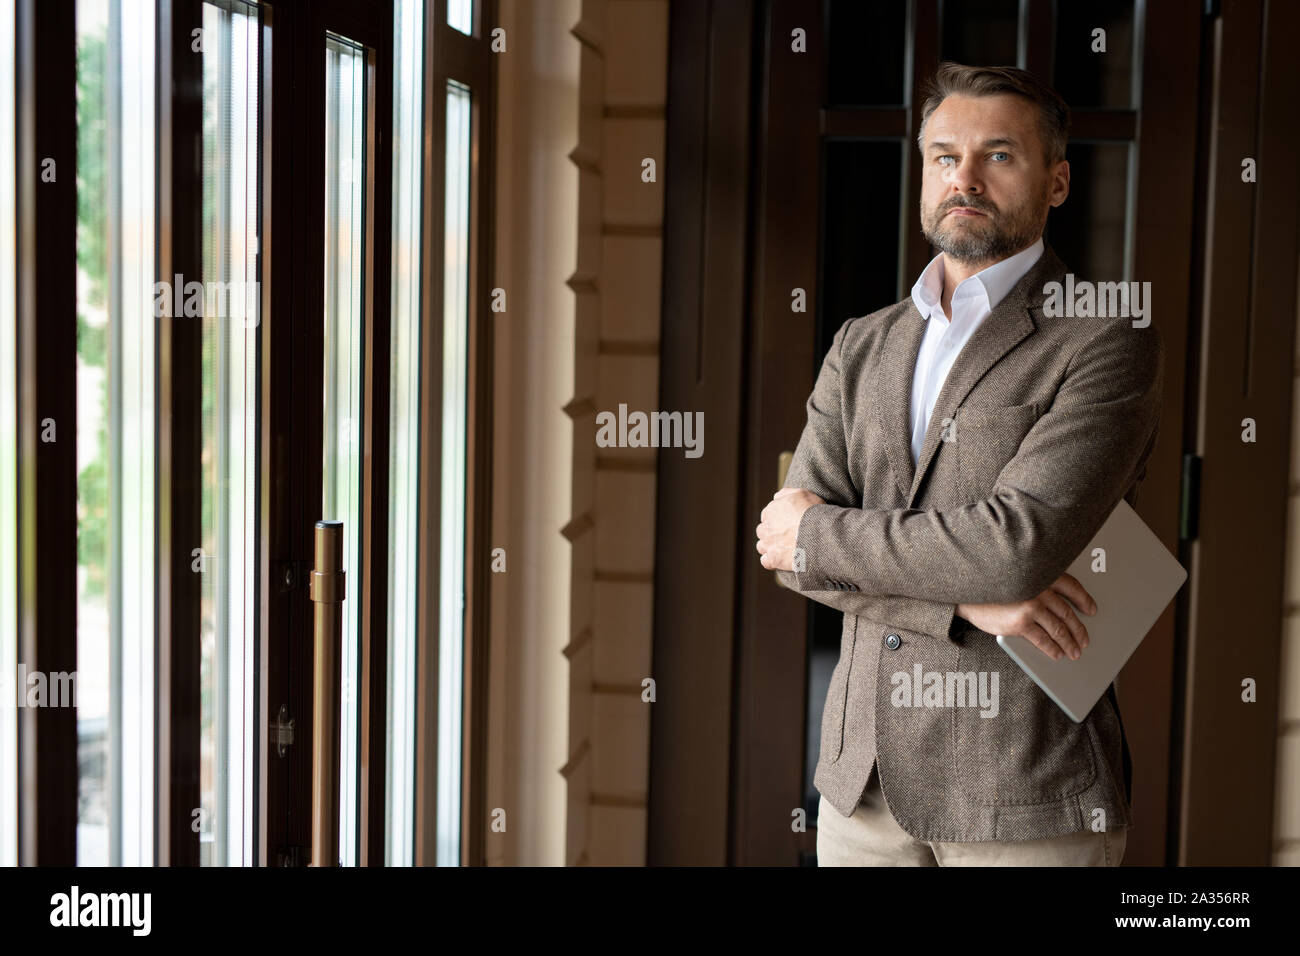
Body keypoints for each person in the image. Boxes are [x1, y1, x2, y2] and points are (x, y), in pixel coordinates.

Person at [753, 62, 1161, 866]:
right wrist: (967, 610)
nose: (963, 178)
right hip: (859, 786)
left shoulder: (1103, 338)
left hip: (1022, 790)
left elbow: (1016, 548)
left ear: (1057, 181)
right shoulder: (860, 343)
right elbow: (786, 553)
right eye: (944, 156)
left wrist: (822, 534)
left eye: (998, 155)